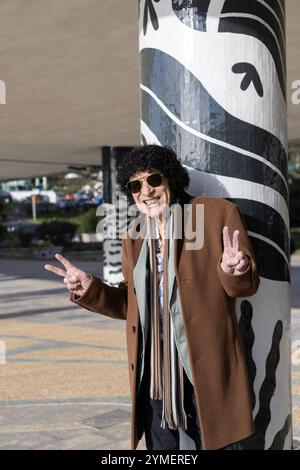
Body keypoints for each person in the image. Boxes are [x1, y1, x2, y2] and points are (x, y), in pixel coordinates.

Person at [44, 145, 260, 450]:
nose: (146, 191)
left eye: (153, 180)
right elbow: (131, 305)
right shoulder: (135, 235)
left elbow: (245, 286)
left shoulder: (216, 214)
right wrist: (91, 289)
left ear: (170, 179)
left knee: (220, 442)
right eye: (136, 186)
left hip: (204, 365)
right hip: (154, 369)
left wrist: (234, 269)